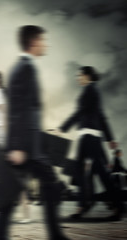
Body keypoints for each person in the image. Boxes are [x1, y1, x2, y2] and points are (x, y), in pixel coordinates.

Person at [0, 25, 71, 240]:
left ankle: (55, 234)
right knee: (48, 187)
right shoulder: (24, 68)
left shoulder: (24, 67)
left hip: (30, 144)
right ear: (34, 41)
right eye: (43, 40)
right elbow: (17, 109)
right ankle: (55, 235)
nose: (46, 45)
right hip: (25, 147)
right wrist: (17, 146)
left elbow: (25, 109)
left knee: (45, 188)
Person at [58, 66, 123, 220]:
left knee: (88, 171)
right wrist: (109, 138)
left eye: (79, 75)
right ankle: (88, 205)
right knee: (92, 171)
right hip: (90, 136)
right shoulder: (94, 91)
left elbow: (80, 112)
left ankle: (87, 206)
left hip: (88, 135)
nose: (77, 78)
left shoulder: (89, 90)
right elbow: (101, 117)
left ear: (87, 75)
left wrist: (63, 127)